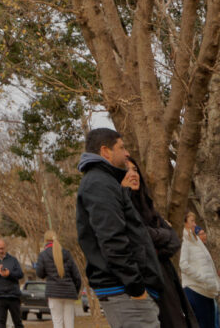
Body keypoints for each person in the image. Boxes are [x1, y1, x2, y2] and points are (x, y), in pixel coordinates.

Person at [76, 128, 162, 328]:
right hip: (123, 290)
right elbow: (112, 240)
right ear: (105, 151)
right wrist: (136, 287)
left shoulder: (106, 181)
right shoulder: (99, 183)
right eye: (121, 147)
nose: (126, 153)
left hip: (125, 289)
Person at [121, 159, 195, 328]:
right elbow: (137, 237)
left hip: (166, 278)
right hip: (145, 283)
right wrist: (157, 238)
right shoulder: (119, 210)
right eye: (126, 170)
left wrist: (152, 245)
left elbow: (173, 240)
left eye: (135, 169)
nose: (133, 174)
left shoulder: (148, 207)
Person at [34, 230, 82, 328]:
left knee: (57, 322)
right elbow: (77, 276)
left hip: (53, 293)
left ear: (45, 240)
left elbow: (40, 274)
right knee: (69, 323)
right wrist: (75, 291)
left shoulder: (43, 255)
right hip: (69, 292)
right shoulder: (67, 253)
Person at [181, 211, 219, 328]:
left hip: (206, 290)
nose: (194, 224)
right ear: (185, 223)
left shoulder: (195, 240)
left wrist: (215, 283)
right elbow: (183, 264)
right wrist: (202, 277)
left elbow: (209, 264)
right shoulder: (184, 241)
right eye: (192, 221)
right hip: (195, 290)